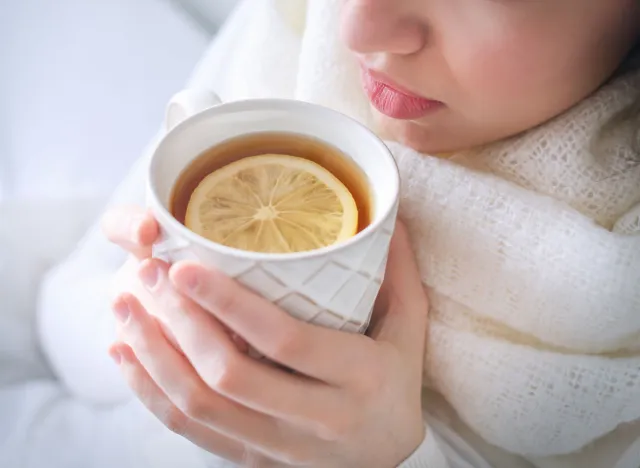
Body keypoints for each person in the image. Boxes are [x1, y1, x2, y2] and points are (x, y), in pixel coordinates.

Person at [35, 0, 640, 467]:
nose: (358, 28)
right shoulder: (299, 23)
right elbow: (60, 310)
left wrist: (392, 454)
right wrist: (149, 309)